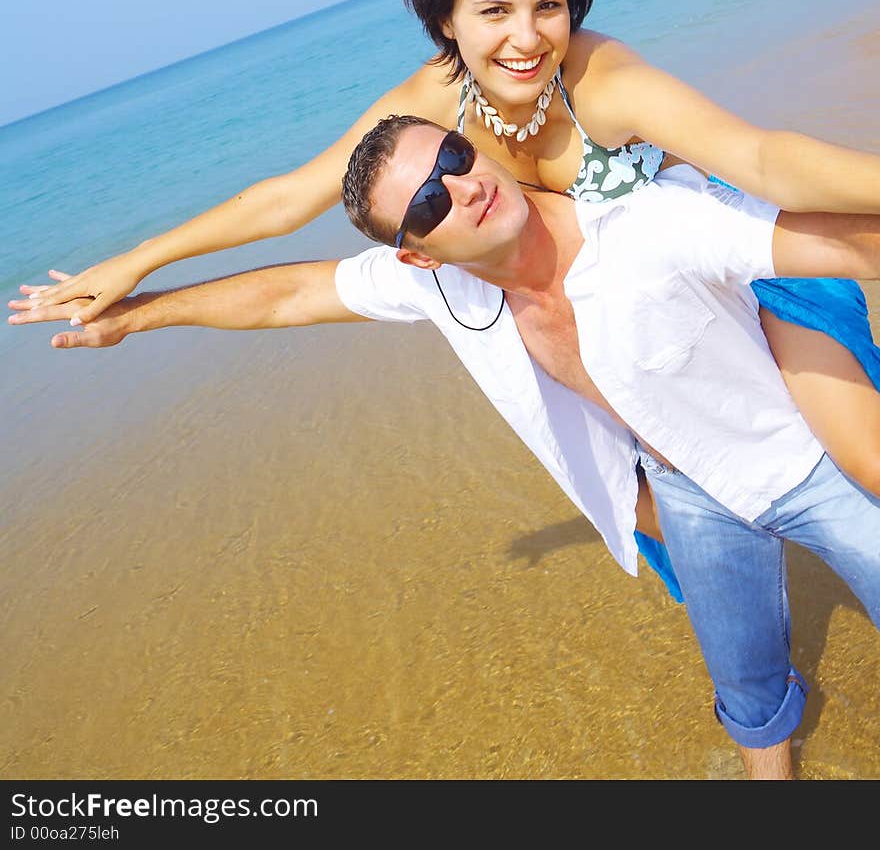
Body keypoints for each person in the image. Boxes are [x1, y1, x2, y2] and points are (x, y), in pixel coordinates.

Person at [12, 116, 880, 780]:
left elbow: (824, 235)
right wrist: (134, 312)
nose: (460, 189)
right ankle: (772, 767)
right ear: (418, 257)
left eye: (454, 159)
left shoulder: (641, 221)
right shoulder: (449, 293)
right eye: (428, 203)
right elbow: (286, 295)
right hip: (687, 488)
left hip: (800, 457)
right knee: (745, 675)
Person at [18, 0, 880, 509]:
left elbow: (762, 157)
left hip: (736, 273)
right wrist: (136, 266)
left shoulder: (599, 75)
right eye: (494, 11)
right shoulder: (429, 100)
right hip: (625, 342)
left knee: (861, 459)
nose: (527, 36)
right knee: (665, 507)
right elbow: (288, 200)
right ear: (447, 22)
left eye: (549, 4)